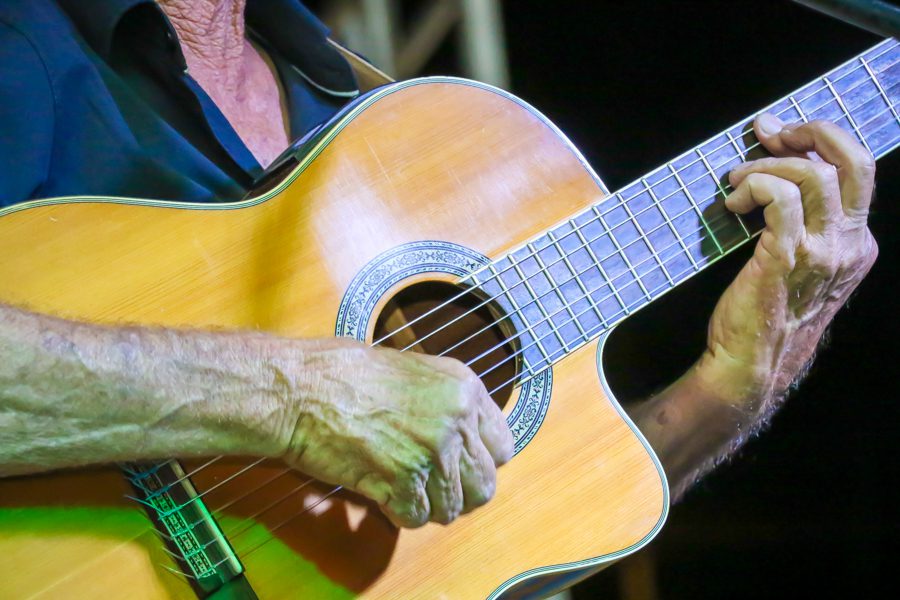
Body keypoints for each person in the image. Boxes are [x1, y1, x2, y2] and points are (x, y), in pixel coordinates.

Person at [0, 0, 878, 531]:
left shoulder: (364, 104)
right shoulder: (24, 47)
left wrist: (746, 378)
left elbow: (502, 548)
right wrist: (291, 398)